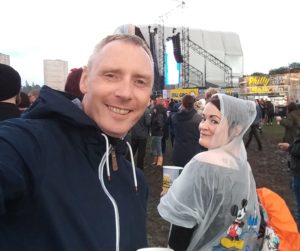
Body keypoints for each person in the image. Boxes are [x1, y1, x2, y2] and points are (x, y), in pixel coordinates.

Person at [0, 34, 154, 251]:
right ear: (84, 81)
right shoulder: (28, 144)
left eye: (140, 81)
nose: (126, 93)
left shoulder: (135, 181)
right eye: (111, 75)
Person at [158, 94, 261, 251]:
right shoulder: (244, 166)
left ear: (236, 129)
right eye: (204, 118)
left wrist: (177, 199)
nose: (203, 126)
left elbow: (181, 232)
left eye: (214, 121)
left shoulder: (203, 163)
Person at [171, 94, 203, 167]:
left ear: (182, 103)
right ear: (193, 103)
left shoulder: (174, 117)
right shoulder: (199, 119)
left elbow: (173, 132)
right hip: (194, 154)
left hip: (178, 153)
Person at [127, 104, 151, 170]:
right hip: (142, 135)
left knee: (132, 150)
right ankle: (140, 167)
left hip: (134, 133)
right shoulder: (146, 111)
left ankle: (127, 163)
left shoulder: (134, 111)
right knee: (141, 152)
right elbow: (148, 122)